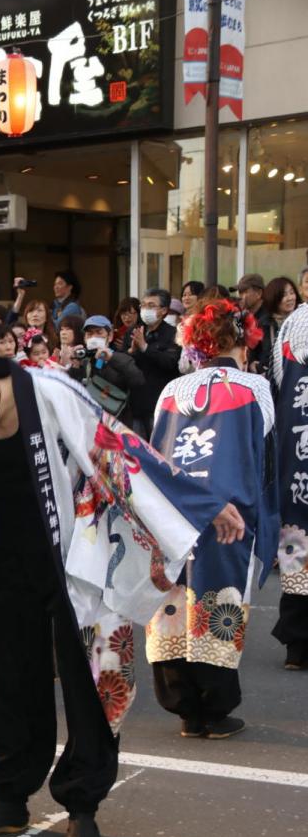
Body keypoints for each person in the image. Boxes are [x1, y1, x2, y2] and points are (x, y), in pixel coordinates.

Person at [0, 355, 245, 837]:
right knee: (8, 677)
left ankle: (83, 806)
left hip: (75, 560)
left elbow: (122, 455)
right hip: (1, 559)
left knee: (88, 683)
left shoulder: (50, 393)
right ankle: (9, 796)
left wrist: (202, 503)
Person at [146, 299, 278, 738]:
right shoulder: (253, 388)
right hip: (229, 510)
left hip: (173, 511)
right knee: (219, 597)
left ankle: (183, 707)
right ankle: (215, 711)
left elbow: (154, 452)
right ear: (243, 339)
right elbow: (264, 456)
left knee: (174, 598)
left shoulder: (171, 391)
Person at [271, 304, 308, 669]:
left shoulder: (292, 324)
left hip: (295, 450)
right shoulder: (297, 321)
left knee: (297, 543)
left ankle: (297, 646)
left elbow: (277, 381)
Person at [68, 314, 143, 426]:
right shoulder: (83, 361)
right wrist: (75, 366)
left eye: (99, 332)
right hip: (90, 423)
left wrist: (111, 359)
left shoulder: (121, 358)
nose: (94, 337)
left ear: (110, 336)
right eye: (89, 334)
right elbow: (72, 391)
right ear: (85, 338)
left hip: (117, 423)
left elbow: (138, 381)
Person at [126, 288, 180, 437]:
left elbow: (171, 363)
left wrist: (145, 347)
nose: (145, 310)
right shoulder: (134, 331)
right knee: (136, 453)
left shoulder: (173, 334)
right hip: (135, 404)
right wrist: (132, 352)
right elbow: (123, 363)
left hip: (159, 404)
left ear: (163, 310)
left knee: (159, 450)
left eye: (151, 305)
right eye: (143, 305)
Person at [236, 273, 272, 375]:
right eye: (239, 293)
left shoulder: (266, 319)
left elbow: (268, 351)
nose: (241, 297)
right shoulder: (242, 316)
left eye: (245, 292)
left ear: (259, 293)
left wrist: (258, 365)